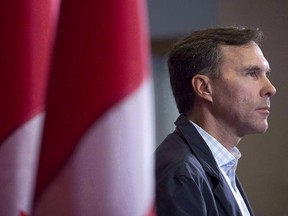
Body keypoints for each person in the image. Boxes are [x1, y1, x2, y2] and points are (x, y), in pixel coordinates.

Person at [155, 26, 276, 216]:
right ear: (204, 87)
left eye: (266, 74)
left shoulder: (217, 164)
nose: (270, 88)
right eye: (252, 73)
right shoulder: (180, 174)